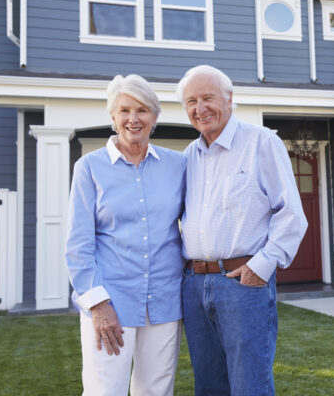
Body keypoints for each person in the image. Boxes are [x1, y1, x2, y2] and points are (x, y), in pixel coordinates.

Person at [178, 65, 307, 396]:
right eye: (191, 101)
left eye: (208, 98)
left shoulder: (261, 142)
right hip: (194, 285)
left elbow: (291, 213)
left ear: (230, 99)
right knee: (209, 386)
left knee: (250, 385)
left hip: (242, 282)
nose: (199, 108)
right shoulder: (188, 157)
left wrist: (262, 267)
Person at [65, 74, 186, 396]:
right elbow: (78, 244)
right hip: (111, 301)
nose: (133, 119)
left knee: (157, 390)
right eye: (125, 110)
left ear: (155, 116)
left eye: (142, 110)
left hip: (165, 299)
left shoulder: (179, 165)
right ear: (113, 117)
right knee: (105, 390)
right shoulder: (90, 167)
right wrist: (98, 306)